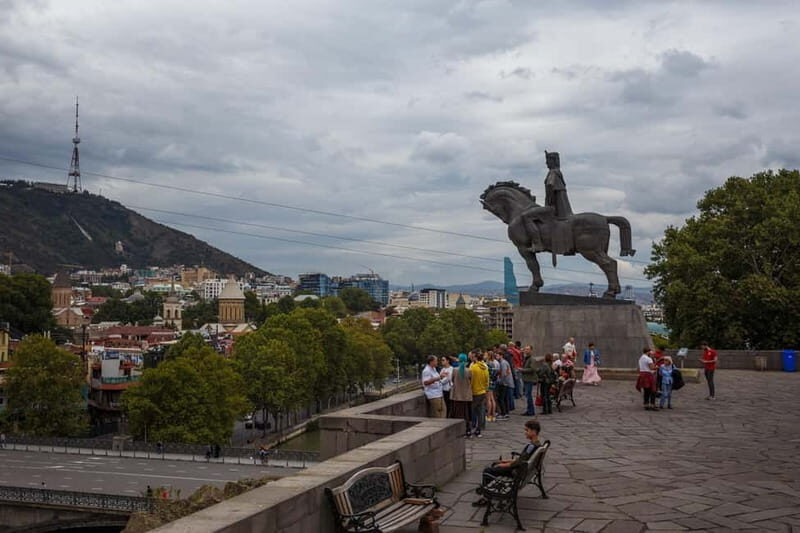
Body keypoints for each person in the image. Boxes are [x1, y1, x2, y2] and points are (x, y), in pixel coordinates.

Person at [473, 419, 543, 507]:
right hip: (522, 472)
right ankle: (488, 494)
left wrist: (504, 464)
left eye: (526, 430)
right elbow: (522, 459)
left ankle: (487, 497)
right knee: (495, 466)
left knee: (487, 471)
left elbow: (520, 462)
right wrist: (506, 461)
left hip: (515, 473)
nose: (525, 432)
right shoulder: (537, 445)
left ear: (533, 431)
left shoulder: (531, 446)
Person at [450, 353, 473, 437]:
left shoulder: (455, 370)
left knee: (457, 414)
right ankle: (467, 430)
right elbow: (471, 381)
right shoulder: (469, 371)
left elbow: (452, 380)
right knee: (466, 414)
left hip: (457, 395)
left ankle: (458, 431)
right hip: (466, 395)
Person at [469, 350, 489, 437]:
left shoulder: (473, 368)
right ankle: (479, 430)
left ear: (476, 358)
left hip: (475, 392)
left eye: (473, 357)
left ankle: (470, 428)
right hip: (482, 391)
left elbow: (471, 380)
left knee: (471, 411)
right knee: (481, 411)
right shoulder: (484, 367)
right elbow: (487, 380)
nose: (472, 358)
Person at [520, 345, 538, 416]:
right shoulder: (526, 358)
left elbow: (533, 369)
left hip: (529, 379)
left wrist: (523, 370)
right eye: (525, 349)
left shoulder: (532, 359)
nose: (526, 351)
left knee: (528, 395)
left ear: (531, 350)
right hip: (526, 379)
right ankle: (529, 410)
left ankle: (531, 411)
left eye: (527, 349)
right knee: (527, 395)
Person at [494, 351, 511, 420]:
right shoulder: (504, 362)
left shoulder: (503, 363)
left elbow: (503, 373)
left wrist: (500, 380)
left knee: (501, 398)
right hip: (505, 382)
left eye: (497, 355)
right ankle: (505, 412)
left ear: (501, 356)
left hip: (503, 383)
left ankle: (503, 413)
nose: (496, 357)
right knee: (503, 398)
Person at [485, 351, 499, 422]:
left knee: (488, 399)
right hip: (493, 381)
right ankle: (493, 415)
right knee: (492, 398)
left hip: (488, 382)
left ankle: (488, 415)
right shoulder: (494, 363)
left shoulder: (487, 364)